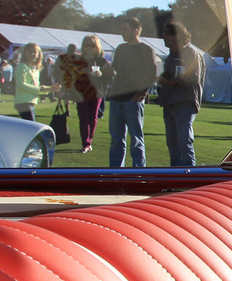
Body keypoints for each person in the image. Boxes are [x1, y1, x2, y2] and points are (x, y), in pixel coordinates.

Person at [105, 16, 158, 167]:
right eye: (121, 29)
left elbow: (152, 75)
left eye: (125, 29)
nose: (122, 32)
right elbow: (116, 69)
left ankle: (139, 171)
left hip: (133, 101)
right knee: (116, 139)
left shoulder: (147, 50)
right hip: (116, 98)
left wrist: (140, 95)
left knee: (136, 139)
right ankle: (115, 171)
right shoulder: (121, 48)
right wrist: (108, 71)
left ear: (136, 31)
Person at [157, 21, 205, 166]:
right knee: (172, 142)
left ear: (177, 36)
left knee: (184, 142)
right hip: (170, 102)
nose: (163, 37)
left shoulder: (190, 52)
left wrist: (169, 82)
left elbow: (193, 78)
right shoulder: (171, 55)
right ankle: (175, 175)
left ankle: (189, 176)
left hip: (184, 102)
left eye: (167, 33)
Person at [70, 36, 107, 152]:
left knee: (93, 118)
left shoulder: (102, 61)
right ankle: (85, 143)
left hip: (96, 93)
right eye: (86, 45)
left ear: (97, 47)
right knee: (83, 118)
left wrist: (101, 74)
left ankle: (89, 140)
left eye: (92, 45)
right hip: (82, 93)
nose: (89, 48)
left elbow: (109, 78)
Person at [12, 42, 45, 122]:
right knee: (31, 126)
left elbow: (36, 86)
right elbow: (21, 84)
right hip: (23, 102)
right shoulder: (22, 66)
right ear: (25, 53)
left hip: (31, 102)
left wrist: (50, 89)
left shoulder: (36, 69)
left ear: (39, 54)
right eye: (30, 51)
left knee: (30, 126)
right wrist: (39, 89)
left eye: (35, 52)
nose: (32, 54)